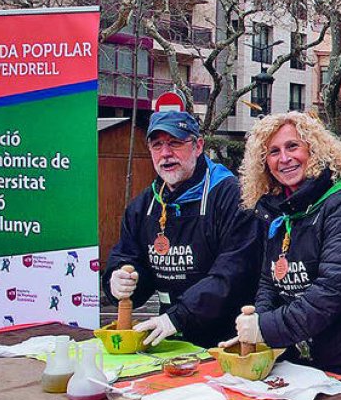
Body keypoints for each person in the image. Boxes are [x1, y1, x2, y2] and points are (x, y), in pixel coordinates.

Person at [221, 112, 341, 384]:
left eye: (293, 146)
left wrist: (266, 329)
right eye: (273, 152)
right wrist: (258, 321)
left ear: (313, 149)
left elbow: (331, 291)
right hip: (306, 346)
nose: (284, 158)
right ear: (263, 163)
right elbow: (270, 280)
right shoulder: (277, 209)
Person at [104, 110, 262, 348]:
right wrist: (117, 279)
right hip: (171, 339)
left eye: (175, 143)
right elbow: (128, 257)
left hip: (230, 340)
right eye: (157, 145)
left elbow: (233, 272)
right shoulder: (143, 205)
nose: (166, 154)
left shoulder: (233, 197)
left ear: (198, 146)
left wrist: (178, 317)